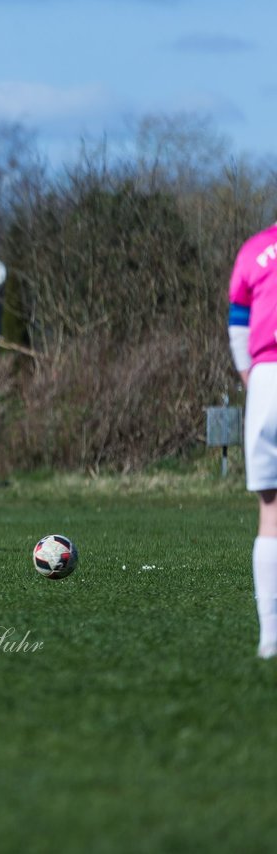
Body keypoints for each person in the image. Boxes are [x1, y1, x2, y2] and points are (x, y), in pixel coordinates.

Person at [228, 219, 277, 659]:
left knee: (271, 511)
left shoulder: (254, 250)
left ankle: (270, 639)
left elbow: (238, 322)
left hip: (266, 379)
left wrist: (253, 378)